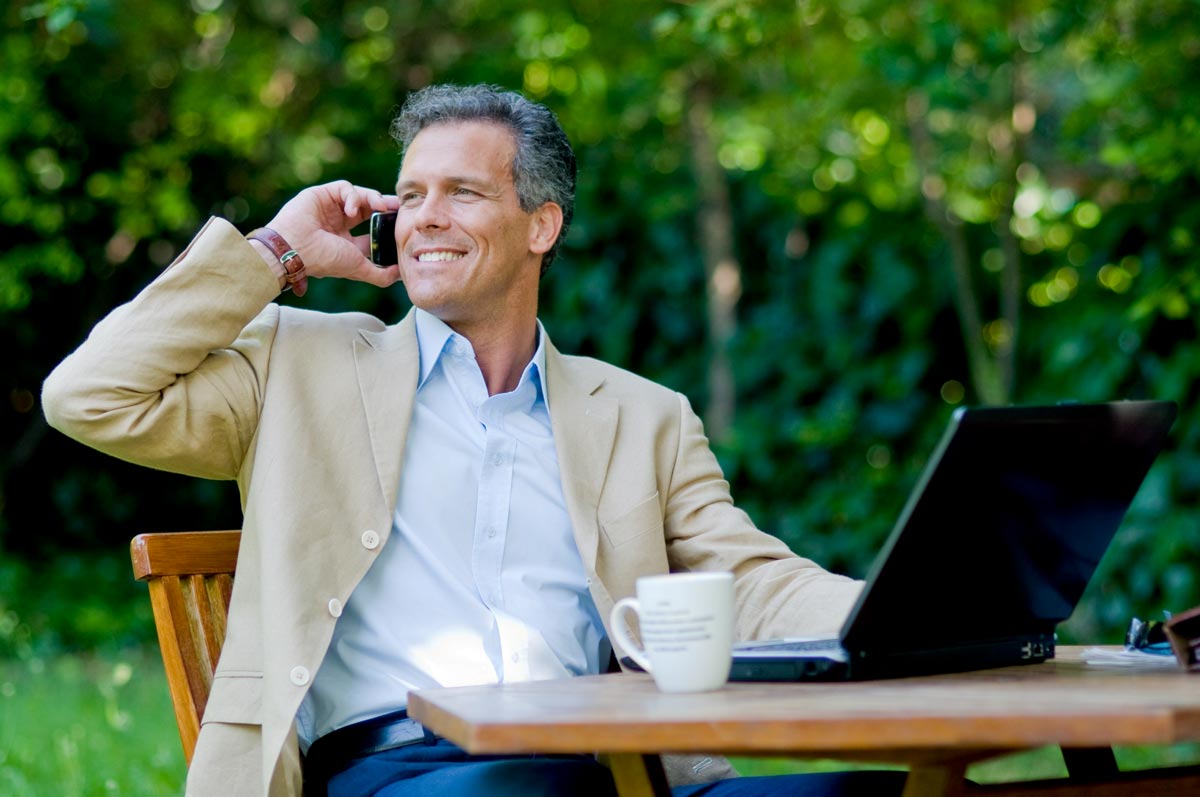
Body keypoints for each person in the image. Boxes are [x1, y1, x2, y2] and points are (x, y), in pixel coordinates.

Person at [42, 84, 905, 797]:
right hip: (393, 767)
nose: (424, 218)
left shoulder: (644, 415)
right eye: (410, 195)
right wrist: (274, 250)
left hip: (605, 768)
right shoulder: (296, 366)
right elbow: (87, 394)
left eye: (463, 193)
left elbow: (749, 582)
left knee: (880, 792)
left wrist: (922, 612)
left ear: (542, 226)